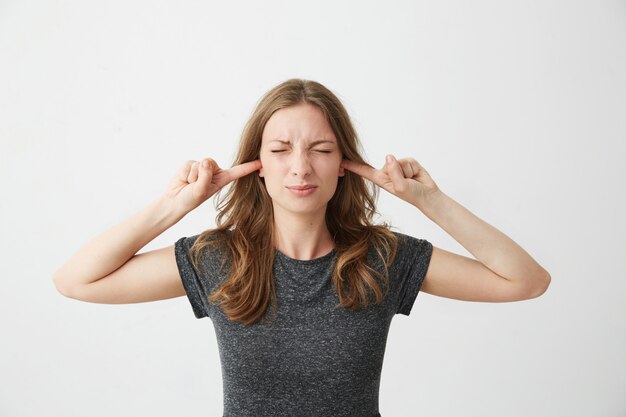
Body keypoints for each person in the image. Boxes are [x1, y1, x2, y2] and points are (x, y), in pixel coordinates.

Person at [53, 78, 551, 417]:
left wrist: (430, 201)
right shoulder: (218, 260)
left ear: (343, 163)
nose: (300, 167)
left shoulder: (382, 258)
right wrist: (174, 206)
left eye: (320, 149)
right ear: (257, 164)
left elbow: (526, 281)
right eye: (280, 150)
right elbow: (76, 281)